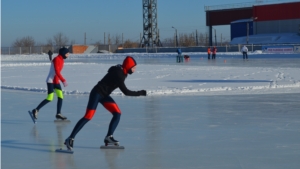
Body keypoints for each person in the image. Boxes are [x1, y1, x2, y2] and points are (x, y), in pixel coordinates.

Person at [64, 56, 147, 150]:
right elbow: (126, 92)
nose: (135, 69)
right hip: (96, 93)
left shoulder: (123, 72)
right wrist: (141, 93)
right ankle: (70, 138)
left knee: (117, 113)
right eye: (134, 67)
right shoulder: (119, 74)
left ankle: (109, 137)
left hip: (104, 95)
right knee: (88, 116)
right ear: (128, 66)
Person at [31, 47, 69, 121]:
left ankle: (58, 113)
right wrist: (63, 80)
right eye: (67, 54)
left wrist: (50, 56)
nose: (68, 55)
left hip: (56, 81)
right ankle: (36, 110)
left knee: (60, 96)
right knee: (50, 98)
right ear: (63, 53)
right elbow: (57, 71)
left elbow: (53, 64)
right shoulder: (57, 59)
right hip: (51, 81)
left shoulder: (60, 59)